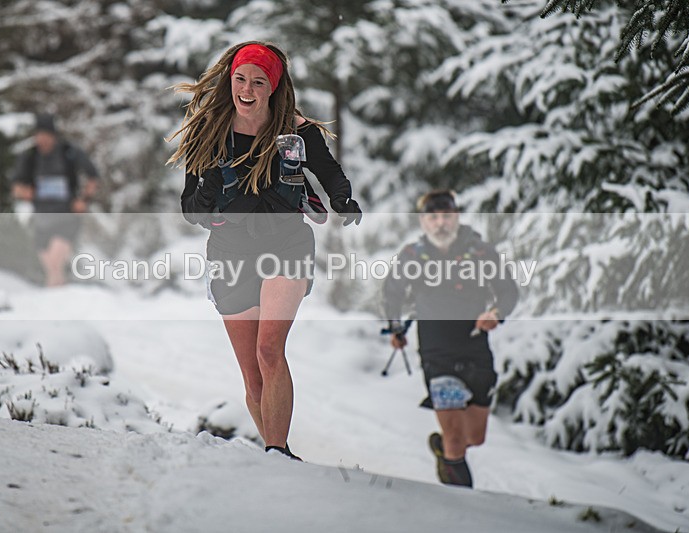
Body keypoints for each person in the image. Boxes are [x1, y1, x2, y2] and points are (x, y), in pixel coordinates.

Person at [168, 41, 362, 460]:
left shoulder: (297, 131)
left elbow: (330, 173)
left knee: (269, 350)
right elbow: (190, 210)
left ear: (273, 87)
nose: (248, 89)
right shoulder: (210, 132)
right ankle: (279, 452)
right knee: (253, 377)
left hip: (285, 244)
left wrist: (343, 200)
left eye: (259, 81)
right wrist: (208, 190)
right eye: (240, 79)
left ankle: (276, 452)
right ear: (230, 80)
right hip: (230, 250)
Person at [381, 190, 518, 487]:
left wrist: (496, 312)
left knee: (474, 437)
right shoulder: (412, 255)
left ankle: (445, 449)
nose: (440, 223)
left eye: (446, 216)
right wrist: (395, 329)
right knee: (457, 437)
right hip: (436, 353)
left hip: (474, 346)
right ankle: (461, 509)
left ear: (456, 217)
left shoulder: (481, 252)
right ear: (423, 222)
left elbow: (508, 290)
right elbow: (392, 293)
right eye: (432, 217)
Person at [11, 113, 100, 286]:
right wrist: (24, 192)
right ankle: (60, 297)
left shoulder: (69, 152)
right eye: (38, 136)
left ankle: (56, 299)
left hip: (67, 216)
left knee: (55, 261)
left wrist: (84, 200)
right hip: (42, 218)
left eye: (46, 136)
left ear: (54, 136)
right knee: (51, 267)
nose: (42, 140)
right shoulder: (30, 156)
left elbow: (93, 176)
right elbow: (16, 186)